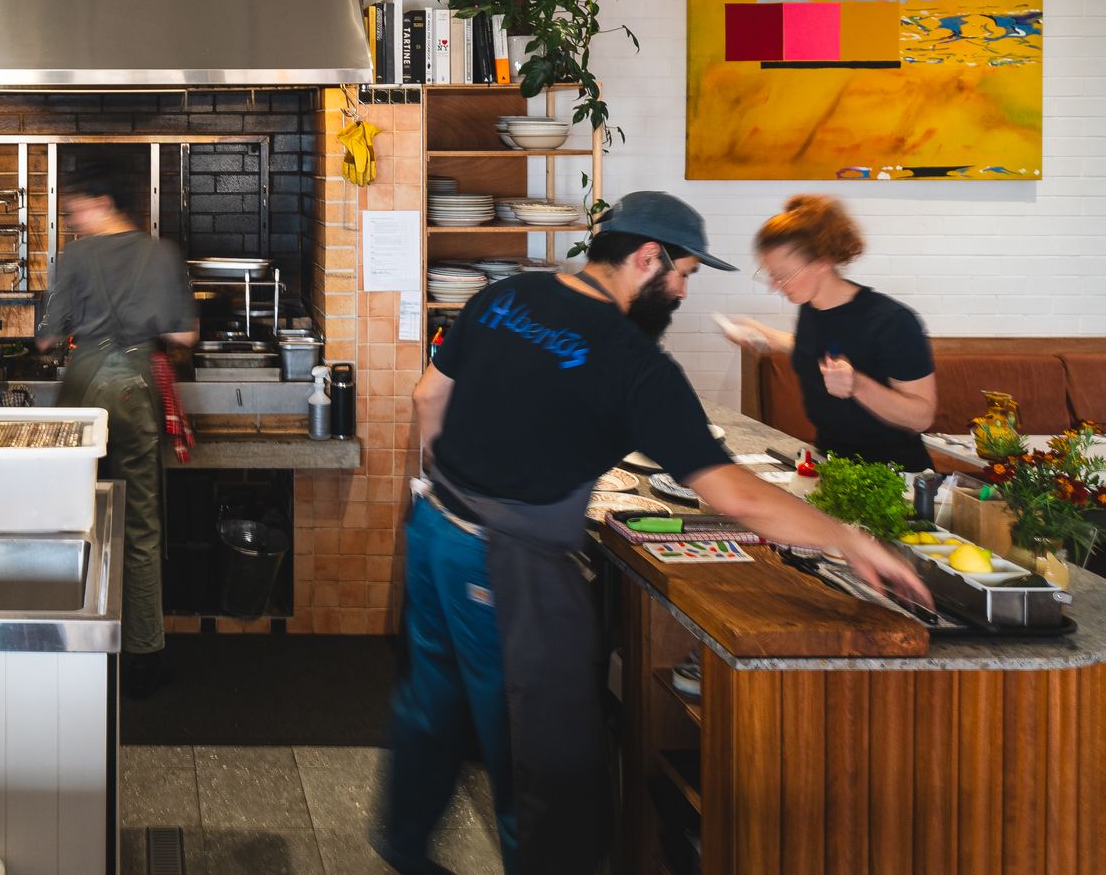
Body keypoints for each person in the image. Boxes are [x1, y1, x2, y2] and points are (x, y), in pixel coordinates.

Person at [378, 191, 928, 875]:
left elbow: (428, 396)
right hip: (506, 566)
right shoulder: (633, 361)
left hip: (433, 532)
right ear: (647, 259)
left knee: (429, 702)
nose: (683, 291)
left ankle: (401, 845)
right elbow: (733, 493)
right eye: (685, 275)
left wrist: (452, 488)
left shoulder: (505, 296)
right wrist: (849, 540)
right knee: (541, 751)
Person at [36, 159, 197, 697]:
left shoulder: (74, 258)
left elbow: (47, 339)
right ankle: (143, 658)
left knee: (76, 519)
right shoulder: (163, 254)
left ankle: (75, 647)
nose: (74, 220)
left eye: (77, 209)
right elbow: (183, 336)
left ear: (104, 204)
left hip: (82, 396)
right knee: (141, 525)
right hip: (136, 393)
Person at [723, 194, 938, 470]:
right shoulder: (812, 308)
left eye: (784, 275)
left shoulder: (892, 322)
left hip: (894, 477)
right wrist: (769, 337)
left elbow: (921, 416)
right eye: (770, 274)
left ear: (822, 262)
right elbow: (825, 346)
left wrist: (857, 385)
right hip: (829, 464)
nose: (775, 285)